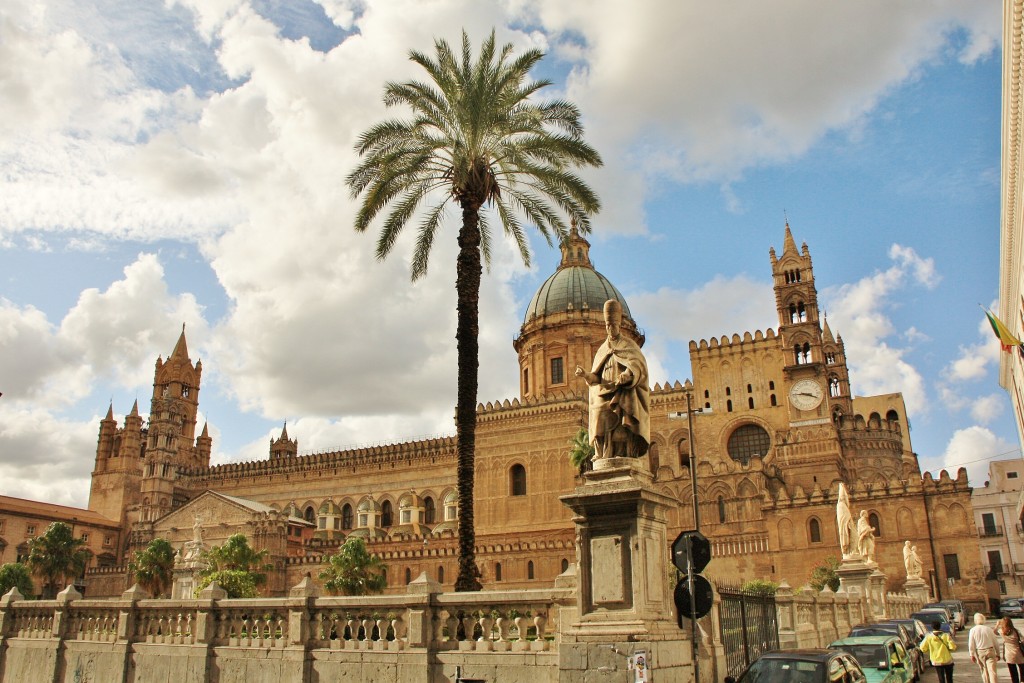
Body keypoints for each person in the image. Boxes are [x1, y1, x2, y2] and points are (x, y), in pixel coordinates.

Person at [575, 299, 650, 460]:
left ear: (619, 325)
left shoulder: (628, 345)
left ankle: (623, 452)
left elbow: (637, 364)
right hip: (604, 390)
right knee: (598, 412)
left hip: (623, 389)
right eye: (608, 326)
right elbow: (595, 376)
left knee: (625, 406)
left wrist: (628, 374)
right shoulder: (602, 349)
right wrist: (584, 374)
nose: (610, 328)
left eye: (613, 325)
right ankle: (602, 452)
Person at [970, 612, 1001, 683]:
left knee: (984, 670)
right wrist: (998, 653)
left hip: (980, 652)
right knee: (992, 671)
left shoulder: (973, 630)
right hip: (990, 650)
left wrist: (972, 654)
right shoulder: (988, 629)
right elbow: (995, 642)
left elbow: (971, 643)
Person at [997, 616, 1024, 683]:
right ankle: (1022, 681)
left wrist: (997, 625)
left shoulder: (1001, 632)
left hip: (1009, 654)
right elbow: (1023, 640)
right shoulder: (1016, 631)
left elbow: (994, 631)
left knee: (1012, 671)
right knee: (1022, 668)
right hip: (1018, 653)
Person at [836, 483, 856, 558]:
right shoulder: (840, 505)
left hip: (848, 525)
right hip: (845, 526)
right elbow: (843, 518)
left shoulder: (842, 505)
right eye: (844, 498)